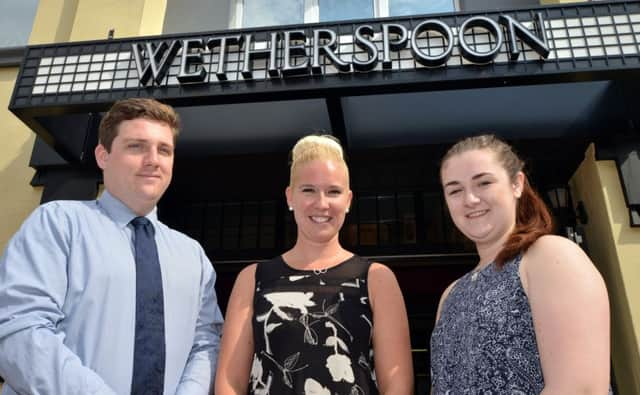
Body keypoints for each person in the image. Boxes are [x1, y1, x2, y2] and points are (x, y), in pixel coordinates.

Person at [0, 98, 224, 394]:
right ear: (103, 156)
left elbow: (206, 342)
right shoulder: (58, 223)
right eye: (137, 146)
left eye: (164, 150)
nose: (153, 160)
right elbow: (19, 329)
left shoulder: (192, 255)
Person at [215, 134, 414, 394]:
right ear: (289, 197)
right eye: (308, 190)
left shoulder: (376, 278)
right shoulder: (253, 278)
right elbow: (229, 381)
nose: (322, 204)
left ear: (349, 200)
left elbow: (397, 384)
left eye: (333, 191)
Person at [430, 134, 610, 393]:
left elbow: (580, 387)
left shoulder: (549, 257)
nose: (470, 199)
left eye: (483, 182)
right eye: (455, 190)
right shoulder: (450, 295)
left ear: (517, 184)